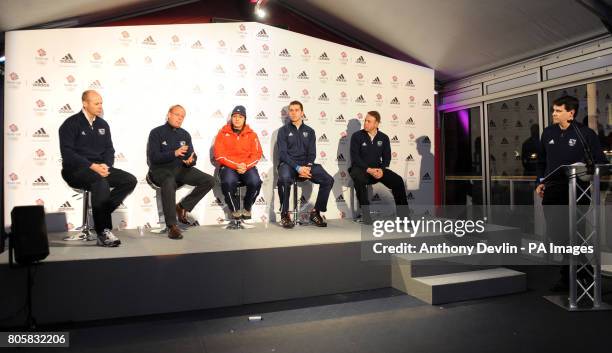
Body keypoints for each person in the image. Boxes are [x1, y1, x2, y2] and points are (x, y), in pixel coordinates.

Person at [536, 95, 606, 292]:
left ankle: (568, 278)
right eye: (554, 110)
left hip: (578, 192)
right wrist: (540, 181)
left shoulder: (586, 134)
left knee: (576, 237)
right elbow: (541, 162)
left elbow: (599, 161)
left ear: (571, 113)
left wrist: (585, 168)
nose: (554, 114)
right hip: (553, 191)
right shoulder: (548, 133)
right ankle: (587, 273)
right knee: (557, 235)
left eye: (558, 110)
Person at [59, 90, 137, 247]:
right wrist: (92, 166)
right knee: (100, 182)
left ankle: (101, 212)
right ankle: (103, 232)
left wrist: (106, 165)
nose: (100, 106)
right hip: (75, 169)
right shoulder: (70, 123)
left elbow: (109, 149)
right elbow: (68, 154)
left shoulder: (103, 124)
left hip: (99, 167)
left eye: (101, 103)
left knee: (129, 180)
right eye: (96, 103)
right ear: (85, 103)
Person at [146, 105, 216, 239]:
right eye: (177, 115)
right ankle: (172, 226)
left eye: (182, 116)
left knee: (209, 180)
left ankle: (182, 206)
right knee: (169, 180)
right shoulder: (156, 132)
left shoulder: (185, 134)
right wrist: (174, 153)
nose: (180, 118)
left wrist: (191, 161)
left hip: (180, 169)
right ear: (169, 115)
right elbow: (153, 157)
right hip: (159, 170)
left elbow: (192, 155)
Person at [277, 100, 334, 228]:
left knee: (328, 179)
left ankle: (315, 212)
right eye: (291, 110)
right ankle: (285, 215)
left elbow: (312, 153)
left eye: (296, 110)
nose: (293, 113)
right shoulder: (283, 131)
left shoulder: (310, 131)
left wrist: (307, 167)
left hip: (306, 165)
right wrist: (297, 168)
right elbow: (283, 154)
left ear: (302, 113)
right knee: (285, 178)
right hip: (288, 165)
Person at [349, 111, 409, 224]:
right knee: (358, 179)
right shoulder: (356, 136)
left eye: (369, 121)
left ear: (376, 124)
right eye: (365, 121)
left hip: (377, 170)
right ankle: (366, 216)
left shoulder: (384, 138)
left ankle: (404, 218)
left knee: (398, 181)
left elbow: (387, 157)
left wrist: (382, 169)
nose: (365, 123)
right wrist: (368, 169)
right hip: (361, 169)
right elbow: (355, 158)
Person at [214, 105, 263, 222]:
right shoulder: (222, 133)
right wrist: (236, 165)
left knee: (255, 182)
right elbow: (219, 155)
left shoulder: (252, 134)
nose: (237, 119)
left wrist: (245, 165)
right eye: (235, 116)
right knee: (228, 182)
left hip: (247, 166)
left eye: (240, 117)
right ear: (231, 118)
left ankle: (247, 207)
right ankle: (234, 208)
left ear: (244, 119)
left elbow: (257, 154)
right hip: (229, 166)